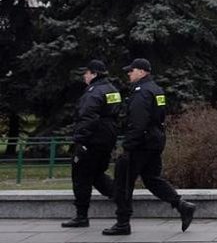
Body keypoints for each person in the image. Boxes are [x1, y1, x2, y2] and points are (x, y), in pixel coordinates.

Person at [102, 59, 196, 236]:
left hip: (140, 144)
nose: (128, 74)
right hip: (154, 142)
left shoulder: (141, 92)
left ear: (142, 72)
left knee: (122, 182)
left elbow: (138, 123)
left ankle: (122, 223)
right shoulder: (156, 89)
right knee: (152, 178)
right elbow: (159, 116)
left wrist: (128, 146)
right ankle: (181, 205)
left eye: (132, 71)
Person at [62, 60, 122, 228]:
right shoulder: (112, 90)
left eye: (87, 73)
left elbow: (87, 117)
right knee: (96, 175)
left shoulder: (93, 92)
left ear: (94, 74)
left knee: (80, 176)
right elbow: (114, 114)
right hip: (107, 140)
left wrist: (80, 140)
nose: (84, 76)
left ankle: (81, 217)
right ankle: (122, 199)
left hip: (91, 141)